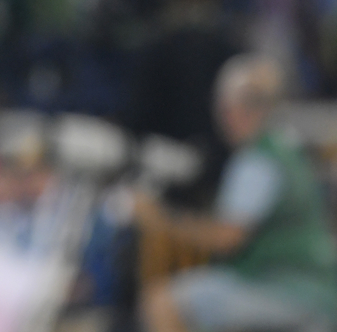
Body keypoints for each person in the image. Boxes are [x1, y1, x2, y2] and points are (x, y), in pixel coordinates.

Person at [135, 54, 337, 332]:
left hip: (285, 287)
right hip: (314, 285)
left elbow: (227, 237)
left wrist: (161, 219)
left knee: (161, 303)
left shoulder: (258, 160)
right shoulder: (285, 147)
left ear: (234, 108)